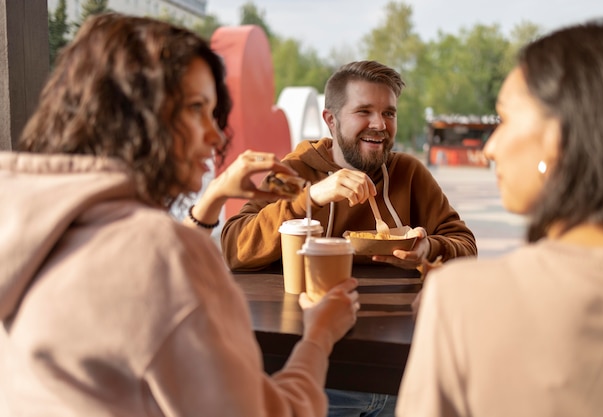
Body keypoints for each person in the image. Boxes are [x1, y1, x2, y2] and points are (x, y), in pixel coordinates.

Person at [0, 13, 360, 417]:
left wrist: (214, 196)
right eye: (195, 108)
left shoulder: (28, 225)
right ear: (131, 114)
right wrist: (319, 336)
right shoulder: (163, 254)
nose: (216, 135)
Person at [220, 60, 478, 416]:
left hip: (403, 371)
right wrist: (308, 198)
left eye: (389, 113)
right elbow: (234, 245)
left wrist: (428, 247)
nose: (379, 125)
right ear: (331, 120)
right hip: (323, 372)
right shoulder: (295, 171)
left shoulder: (409, 174)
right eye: (364, 111)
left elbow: (464, 244)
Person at [397, 18, 603, 417]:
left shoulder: (461, 300)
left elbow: (459, 240)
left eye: (504, 120)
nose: (489, 149)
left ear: (558, 138)